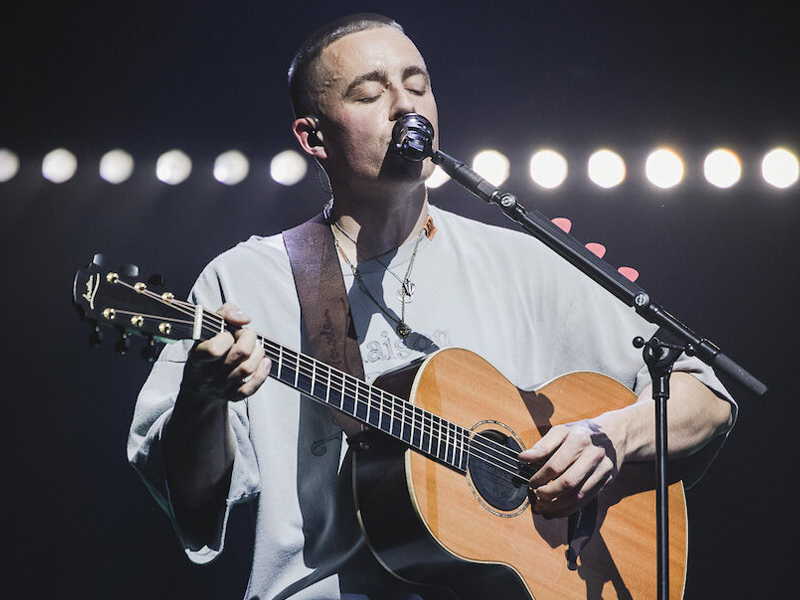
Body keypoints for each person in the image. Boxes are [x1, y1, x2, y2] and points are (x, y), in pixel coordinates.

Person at [128, 13, 735, 600]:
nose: (405, 106)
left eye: (417, 85)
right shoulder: (246, 283)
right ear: (314, 135)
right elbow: (193, 495)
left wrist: (612, 436)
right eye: (370, 95)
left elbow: (706, 397)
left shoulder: (526, 261)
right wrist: (202, 395)